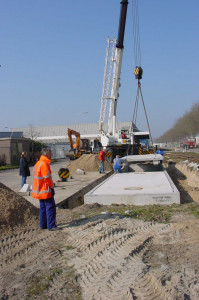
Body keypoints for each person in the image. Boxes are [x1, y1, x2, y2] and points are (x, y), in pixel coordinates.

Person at [32, 148, 58, 231]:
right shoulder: (44, 164)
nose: (51, 155)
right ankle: (51, 225)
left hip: (39, 190)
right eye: (50, 154)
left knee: (43, 208)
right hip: (46, 190)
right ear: (47, 154)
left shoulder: (38, 163)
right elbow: (47, 177)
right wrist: (52, 186)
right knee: (50, 207)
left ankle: (43, 225)